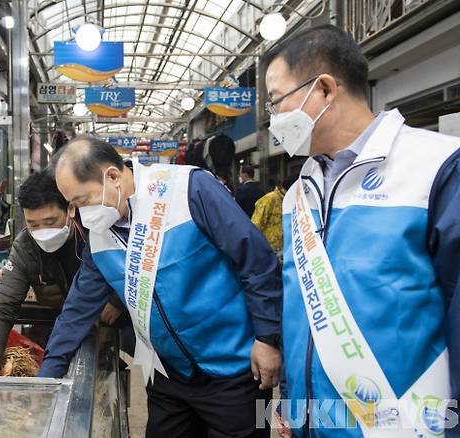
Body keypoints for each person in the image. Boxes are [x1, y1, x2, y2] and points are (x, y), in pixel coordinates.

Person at [263, 24, 460, 437]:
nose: (273, 119)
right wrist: (290, 400)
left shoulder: (438, 169)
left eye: (276, 101)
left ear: (323, 89)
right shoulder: (299, 191)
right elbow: (300, 308)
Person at [38, 136, 283, 438]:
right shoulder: (100, 236)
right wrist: (46, 383)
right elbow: (76, 310)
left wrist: (268, 338)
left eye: (81, 201)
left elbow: (257, 261)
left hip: (239, 372)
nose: (78, 214)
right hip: (168, 375)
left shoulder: (189, 189)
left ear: (112, 176)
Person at [0, 170, 125, 375]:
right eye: (33, 224)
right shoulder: (25, 247)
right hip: (60, 335)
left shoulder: (96, 233)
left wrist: (116, 300)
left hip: (105, 332)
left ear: (70, 209)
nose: (42, 231)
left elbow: (130, 266)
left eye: (50, 222)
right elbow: (1, 307)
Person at [251, 176, 296, 256]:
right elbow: (255, 224)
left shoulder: (291, 201)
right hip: (268, 250)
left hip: (283, 249)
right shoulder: (269, 199)